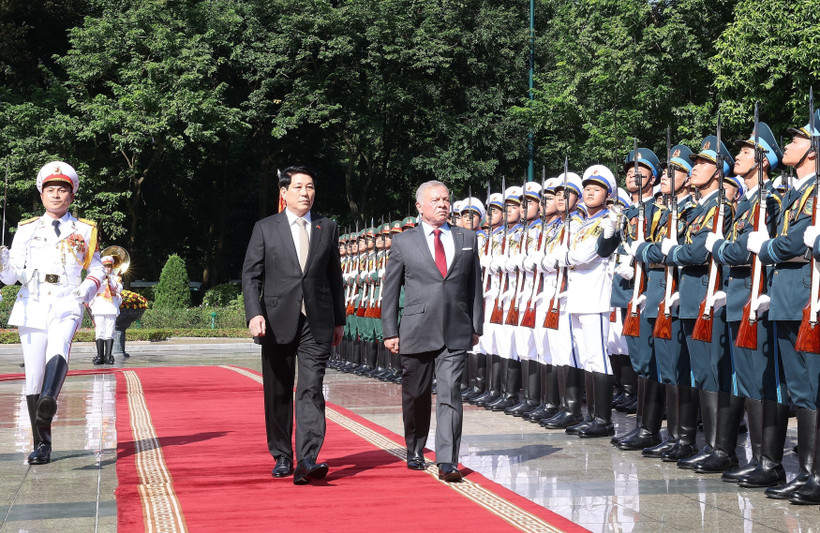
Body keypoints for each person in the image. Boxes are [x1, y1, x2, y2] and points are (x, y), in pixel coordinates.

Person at [241, 165, 345, 485]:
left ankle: (308, 458)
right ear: (284, 193)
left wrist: (338, 320)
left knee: (312, 387)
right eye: (298, 187)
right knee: (279, 390)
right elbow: (251, 275)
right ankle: (283, 455)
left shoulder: (326, 227)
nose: (305, 193)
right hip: (275, 319)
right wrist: (253, 313)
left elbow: (333, 277)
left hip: (317, 321)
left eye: (310, 187)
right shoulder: (265, 228)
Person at [0, 161, 105, 465]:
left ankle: (49, 398)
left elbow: (96, 268)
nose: (56, 195)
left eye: (62, 190)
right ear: (41, 194)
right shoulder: (26, 229)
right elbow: (12, 277)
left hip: (67, 299)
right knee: (33, 376)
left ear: (72, 196)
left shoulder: (85, 230)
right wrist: (3, 264)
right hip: (32, 301)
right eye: (50, 190)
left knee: (60, 347)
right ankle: (42, 443)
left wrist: (86, 291)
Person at [381, 180, 483, 482]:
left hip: (455, 328)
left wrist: (476, 325)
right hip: (416, 329)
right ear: (419, 207)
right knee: (416, 395)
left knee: (451, 392)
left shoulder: (467, 238)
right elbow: (390, 290)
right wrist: (390, 331)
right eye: (435, 199)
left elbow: (474, 285)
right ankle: (414, 447)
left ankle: (448, 460)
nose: (442, 204)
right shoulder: (404, 242)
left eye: (446, 199)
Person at [89, 255, 123, 365]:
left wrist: (110, 280)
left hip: (111, 306)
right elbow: (92, 289)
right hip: (99, 305)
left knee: (110, 330)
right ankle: (99, 356)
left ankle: (108, 356)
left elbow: (119, 289)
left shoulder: (115, 278)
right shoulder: (97, 278)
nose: (107, 268)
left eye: (109, 266)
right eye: (105, 266)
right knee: (99, 331)